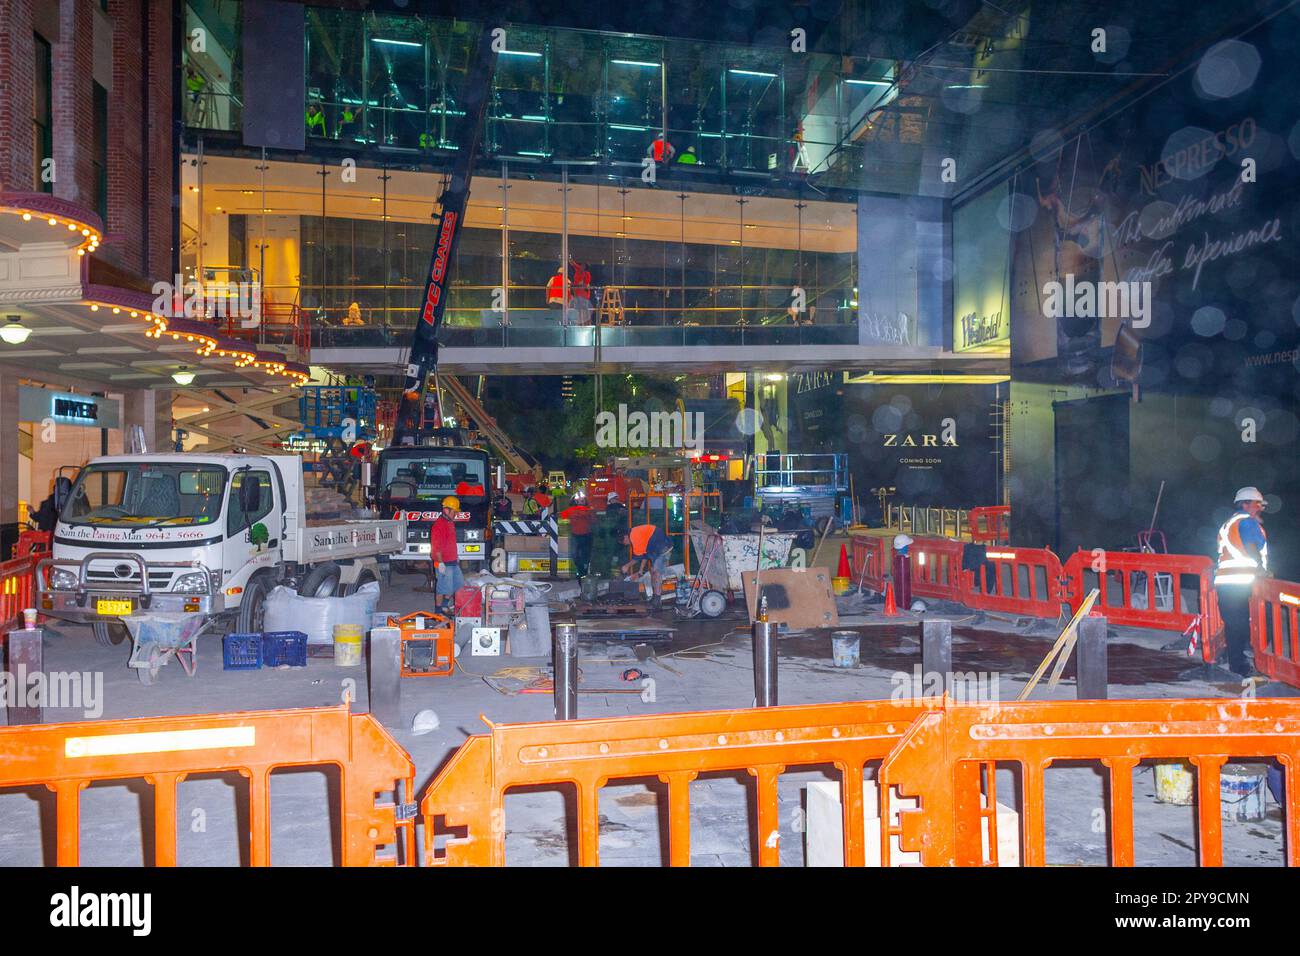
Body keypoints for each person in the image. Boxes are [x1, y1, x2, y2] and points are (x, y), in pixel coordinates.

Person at [1213, 486, 1269, 678]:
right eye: (1257, 504)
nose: (1260, 508)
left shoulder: (1230, 522)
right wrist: (1262, 569)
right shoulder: (1247, 522)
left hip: (1226, 581)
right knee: (1240, 622)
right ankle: (1242, 662)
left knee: (1234, 622)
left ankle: (1238, 661)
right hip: (1240, 581)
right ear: (1245, 504)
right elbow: (1251, 547)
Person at [621, 523, 673, 606]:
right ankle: (655, 597)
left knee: (656, 572)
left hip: (663, 548)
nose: (625, 544)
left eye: (623, 542)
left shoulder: (633, 536)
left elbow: (637, 557)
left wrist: (626, 566)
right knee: (653, 571)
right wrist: (640, 570)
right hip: (657, 548)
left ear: (625, 537)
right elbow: (644, 554)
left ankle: (657, 599)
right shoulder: (636, 534)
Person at [429, 495, 463, 615]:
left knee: (457, 584)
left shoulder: (450, 522)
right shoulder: (439, 525)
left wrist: (456, 555)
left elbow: (450, 542)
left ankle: (444, 605)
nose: (456, 514)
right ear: (446, 510)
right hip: (443, 562)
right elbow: (436, 547)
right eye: (454, 512)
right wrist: (441, 563)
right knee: (443, 588)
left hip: (452, 561)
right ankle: (438, 612)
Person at [561, 499, 594, 579]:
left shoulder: (588, 510)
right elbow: (562, 517)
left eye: (582, 501)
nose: (580, 502)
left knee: (584, 556)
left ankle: (583, 572)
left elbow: (593, 520)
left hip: (586, 536)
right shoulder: (573, 510)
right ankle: (581, 571)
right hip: (576, 536)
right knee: (575, 555)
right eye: (579, 501)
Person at [891, 533, 913, 610]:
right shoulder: (904, 558)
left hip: (899, 595)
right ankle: (905, 605)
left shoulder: (897, 557)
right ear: (905, 546)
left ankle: (900, 604)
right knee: (904, 589)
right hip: (905, 600)